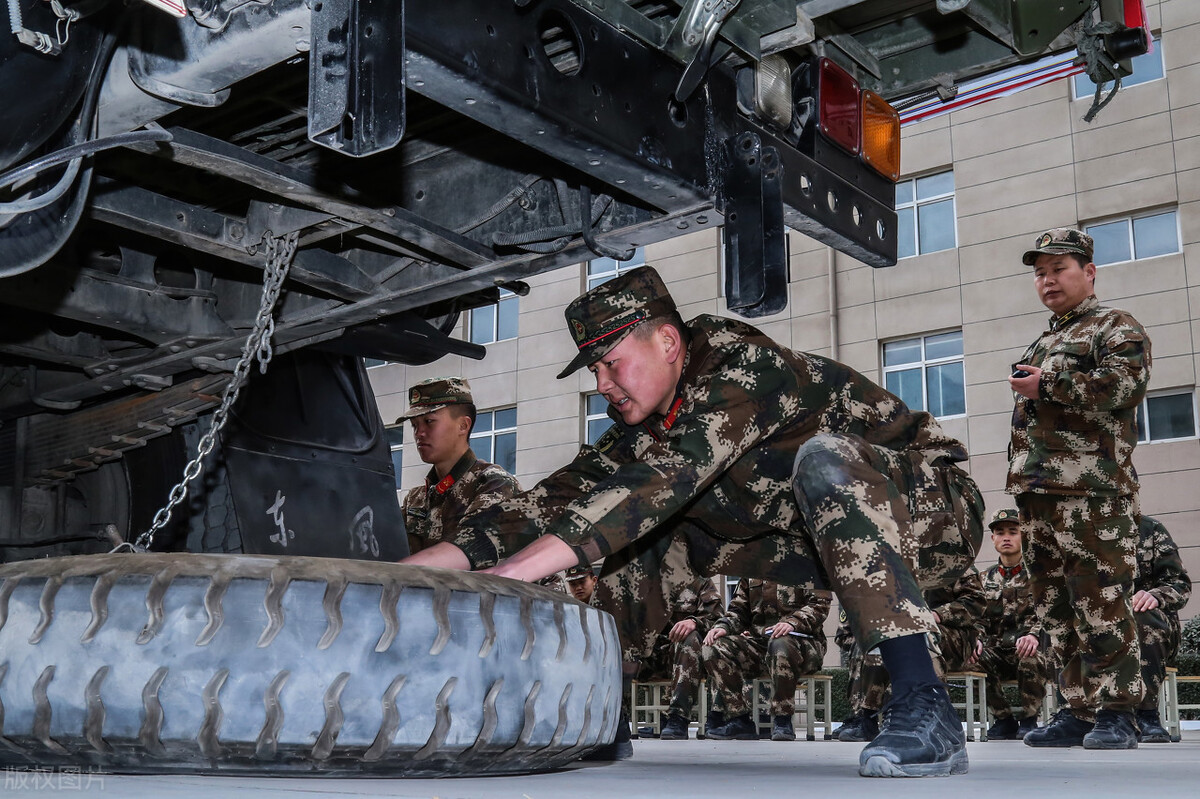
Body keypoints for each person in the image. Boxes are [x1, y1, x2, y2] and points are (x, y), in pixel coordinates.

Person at [404, 265, 984, 777]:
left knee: (814, 461)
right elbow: (553, 499)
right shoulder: (647, 421)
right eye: (595, 372)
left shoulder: (745, 369)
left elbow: (669, 475)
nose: (602, 385)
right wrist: (415, 570)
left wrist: (519, 570)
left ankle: (923, 705)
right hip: (811, 542)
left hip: (932, 515)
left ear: (667, 341)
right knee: (646, 527)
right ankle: (608, 716)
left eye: (610, 364)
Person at [1007, 228, 1151, 749]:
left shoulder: (1115, 327)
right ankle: (1079, 707)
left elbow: (1123, 386)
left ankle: (1118, 710)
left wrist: (1047, 383)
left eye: (1059, 269)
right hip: (1040, 494)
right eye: (1040, 272)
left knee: (1101, 597)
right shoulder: (1045, 339)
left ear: (1088, 273)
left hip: (1092, 493)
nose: (1048, 280)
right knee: (1055, 605)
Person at [836, 570, 983, 742]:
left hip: (949, 633)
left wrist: (936, 615)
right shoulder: (877, 562)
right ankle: (865, 718)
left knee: (915, 635)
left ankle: (924, 713)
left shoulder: (947, 553)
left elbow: (976, 601)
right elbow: (845, 634)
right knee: (876, 639)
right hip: (892, 630)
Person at [399, 377, 521, 556]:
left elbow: (470, 554)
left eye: (429, 421)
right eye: (414, 425)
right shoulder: (415, 499)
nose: (419, 433)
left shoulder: (494, 484)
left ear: (463, 426)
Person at [701, 579, 830, 742]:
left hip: (803, 645)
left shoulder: (804, 564)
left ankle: (783, 719)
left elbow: (820, 604)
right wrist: (723, 626)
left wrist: (792, 622)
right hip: (761, 644)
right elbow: (738, 610)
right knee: (712, 648)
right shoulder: (752, 571)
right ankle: (739, 718)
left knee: (780, 644)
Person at [973, 508, 1049, 740]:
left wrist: (1034, 635)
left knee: (1029, 655)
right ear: (993, 538)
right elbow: (974, 615)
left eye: (1013, 532)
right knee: (972, 656)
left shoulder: (1041, 576)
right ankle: (1003, 719)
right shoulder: (982, 579)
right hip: (995, 652)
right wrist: (974, 638)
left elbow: (1050, 613)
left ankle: (1028, 720)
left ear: (1024, 536)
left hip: (1031, 650)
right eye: (1000, 532)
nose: (1006, 537)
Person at [637, 575, 724, 740]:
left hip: (688, 658)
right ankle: (619, 719)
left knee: (688, 639)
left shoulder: (700, 582)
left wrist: (694, 621)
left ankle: (678, 717)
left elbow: (717, 618)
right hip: (654, 655)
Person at [1132, 515, 1192, 743]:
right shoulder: (1081, 530)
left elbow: (1180, 584)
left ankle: (1146, 715)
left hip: (1152, 625)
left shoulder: (1149, 529)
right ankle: (1074, 714)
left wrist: (1154, 596)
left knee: (1143, 617)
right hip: (1101, 624)